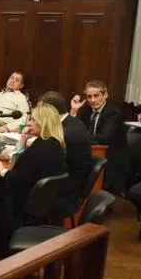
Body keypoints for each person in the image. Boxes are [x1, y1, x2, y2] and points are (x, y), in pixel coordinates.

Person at [0, 104, 67, 258]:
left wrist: (1, 170)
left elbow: (17, 178)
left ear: (44, 122)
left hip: (20, 204)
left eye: (33, 120)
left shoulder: (41, 147)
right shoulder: (53, 144)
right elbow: (21, 168)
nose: (29, 123)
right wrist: (22, 140)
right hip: (36, 204)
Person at [37, 91, 92, 219]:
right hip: (68, 180)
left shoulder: (66, 134)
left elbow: (45, 162)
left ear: (51, 111)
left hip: (65, 190)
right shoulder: (72, 122)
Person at [70, 80, 128, 194]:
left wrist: (80, 136)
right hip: (90, 153)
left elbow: (104, 138)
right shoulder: (86, 110)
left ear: (105, 95)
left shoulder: (113, 113)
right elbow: (73, 130)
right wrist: (74, 111)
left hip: (111, 158)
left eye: (96, 95)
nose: (93, 100)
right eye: (89, 96)